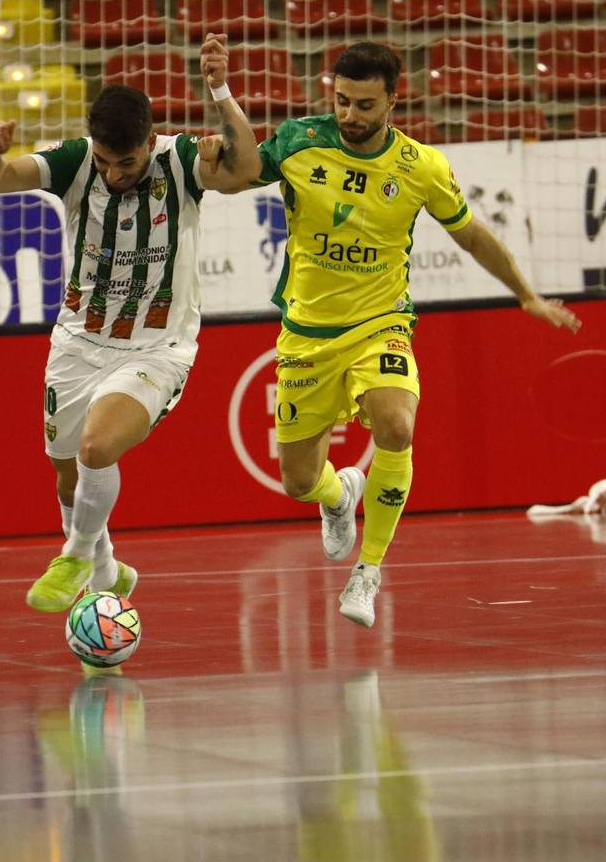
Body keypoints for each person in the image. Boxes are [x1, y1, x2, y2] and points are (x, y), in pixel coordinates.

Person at [218, 42, 582, 628]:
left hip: (380, 324)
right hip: (307, 333)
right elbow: (233, 175)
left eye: (365, 104)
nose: (350, 115)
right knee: (298, 481)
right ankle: (340, 497)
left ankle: (369, 571)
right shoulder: (298, 141)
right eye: (341, 101)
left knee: (397, 423)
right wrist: (221, 101)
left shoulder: (421, 167)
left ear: (394, 96)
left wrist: (526, 294)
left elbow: (473, 235)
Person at [0, 35, 262, 612]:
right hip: (77, 343)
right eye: (104, 161)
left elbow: (248, 170)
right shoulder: (77, 161)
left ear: (149, 143)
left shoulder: (181, 160)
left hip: (157, 348)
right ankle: (107, 574)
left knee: (98, 447)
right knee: (67, 478)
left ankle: (76, 555)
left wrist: (221, 92)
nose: (111, 173)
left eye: (125, 163)